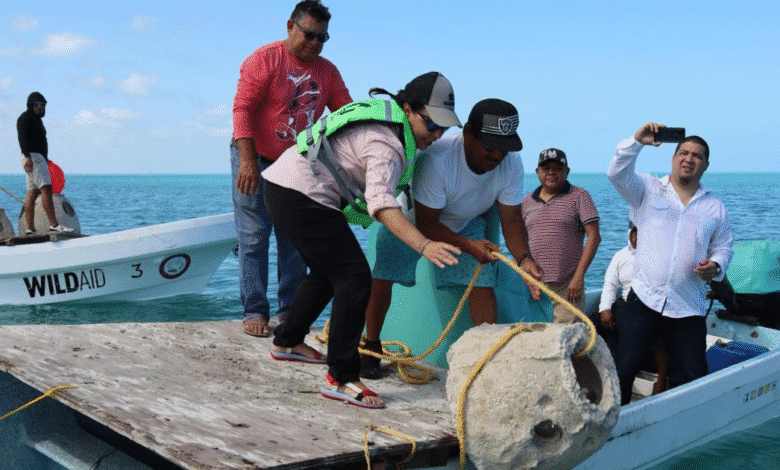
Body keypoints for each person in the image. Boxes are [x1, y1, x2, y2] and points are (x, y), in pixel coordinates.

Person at [261, 72, 463, 408]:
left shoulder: (390, 123)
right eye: (432, 125)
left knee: (328, 272)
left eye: (445, 128)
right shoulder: (386, 144)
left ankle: (288, 342)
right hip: (300, 194)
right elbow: (382, 204)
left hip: (285, 187)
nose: (438, 134)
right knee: (355, 279)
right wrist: (424, 245)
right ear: (409, 110)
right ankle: (341, 378)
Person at [362, 99, 543, 378]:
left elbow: (511, 218)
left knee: (483, 279)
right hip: (411, 220)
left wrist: (524, 258)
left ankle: (484, 361)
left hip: (464, 221)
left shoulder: (511, 164)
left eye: (505, 149)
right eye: (491, 147)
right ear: (468, 133)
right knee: (382, 277)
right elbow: (428, 224)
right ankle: (370, 347)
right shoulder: (438, 159)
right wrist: (469, 246)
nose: (498, 156)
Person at [231, 0, 352, 337]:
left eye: (322, 38)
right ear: (290, 26)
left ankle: (290, 312)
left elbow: (346, 115)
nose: (315, 43)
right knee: (254, 236)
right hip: (254, 156)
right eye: (309, 35)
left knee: (295, 240)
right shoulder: (264, 59)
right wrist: (247, 160)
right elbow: (242, 110)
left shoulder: (328, 71)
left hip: (297, 165)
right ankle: (254, 309)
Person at [607, 122, 733, 405]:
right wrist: (637, 141)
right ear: (674, 158)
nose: (689, 159)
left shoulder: (715, 206)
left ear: (706, 165)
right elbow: (616, 172)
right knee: (624, 368)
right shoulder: (647, 189)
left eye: (697, 155)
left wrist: (715, 265)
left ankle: (681, 430)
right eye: (684, 152)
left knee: (693, 374)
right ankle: (615, 426)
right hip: (645, 299)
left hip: (688, 306)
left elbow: (724, 246)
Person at [521, 148, 600, 323]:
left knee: (567, 342)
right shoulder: (527, 201)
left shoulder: (579, 196)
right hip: (533, 284)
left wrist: (578, 277)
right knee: (535, 339)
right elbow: (519, 240)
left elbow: (594, 237)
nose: (551, 172)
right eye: (546, 168)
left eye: (557, 168)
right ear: (537, 172)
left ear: (567, 171)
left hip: (568, 286)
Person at [16, 92, 73, 235]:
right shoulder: (25, 118)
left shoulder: (37, 120)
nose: (39, 107)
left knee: (32, 193)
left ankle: (30, 229)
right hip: (33, 157)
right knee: (46, 189)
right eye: (36, 104)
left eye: (42, 104)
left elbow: (41, 141)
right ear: (30, 105)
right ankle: (54, 225)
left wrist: (46, 158)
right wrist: (28, 156)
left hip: (37, 157)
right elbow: (22, 138)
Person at [596, 221, 638, 350]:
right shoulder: (620, 256)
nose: (637, 237)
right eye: (634, 232)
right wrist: (605, 309)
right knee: (593, 322)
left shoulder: (658, 255)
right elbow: (610, 285)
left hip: (648, 307)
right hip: (626, 303)